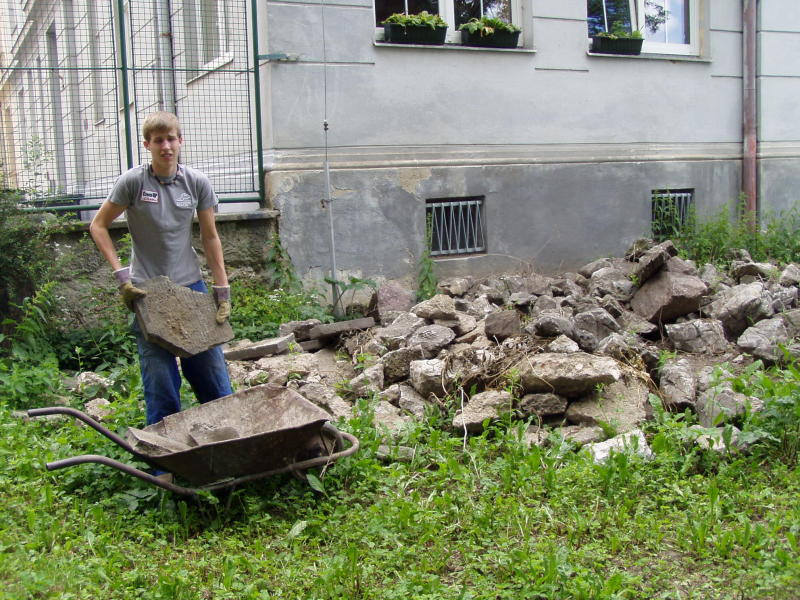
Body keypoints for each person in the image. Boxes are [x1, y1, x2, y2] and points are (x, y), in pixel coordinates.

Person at [90, 111, 233, 427]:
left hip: (190, 288)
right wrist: (121, 277)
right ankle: (163, 452)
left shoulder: (196, 182)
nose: (166, 146)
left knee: (214, 380)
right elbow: (98, 226)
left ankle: (230, 441)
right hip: (147, 292)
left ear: (180, 141)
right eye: (158, 141)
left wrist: (222, 289)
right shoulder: (133, 182)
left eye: (171, 139)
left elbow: (210, 236)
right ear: (147, 145)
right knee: (161, 384)